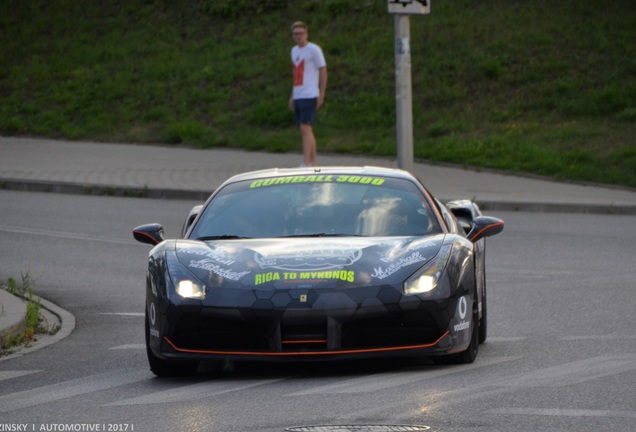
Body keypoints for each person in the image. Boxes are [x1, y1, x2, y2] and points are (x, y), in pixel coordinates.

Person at [289, 21, 327, 167]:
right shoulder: (294, 51)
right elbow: (296, 74)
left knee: (306, 128)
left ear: (306, 33)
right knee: (305, 129)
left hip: (309, 93)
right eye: (295, 33)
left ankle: (306, 162)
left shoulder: (314, 50)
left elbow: (323, 70)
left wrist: (321, 93)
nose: (298, 36)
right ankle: (314, 163)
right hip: (299, 93)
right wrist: (293, 95)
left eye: (301, 33)